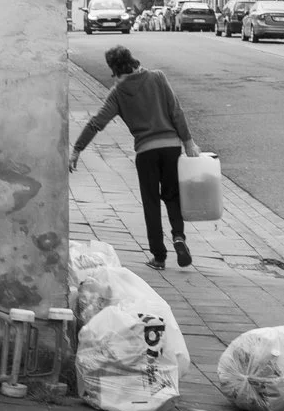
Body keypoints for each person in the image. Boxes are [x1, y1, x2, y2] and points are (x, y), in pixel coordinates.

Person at [69, 45, 197, 270]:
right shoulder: (158, 77)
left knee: (151, 202)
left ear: (113, 69)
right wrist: (188, 142)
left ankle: (159, 257)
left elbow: (97, 123)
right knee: (172, 196)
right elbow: (176, 111)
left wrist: (77, 149)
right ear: (132, 60)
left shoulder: (117, 93)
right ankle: (179, 237)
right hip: (171, 148)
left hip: (146, 152)